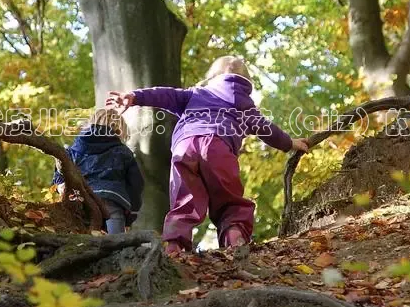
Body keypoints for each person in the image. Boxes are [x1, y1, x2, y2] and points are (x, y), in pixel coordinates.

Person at [106, 56, 308, 253]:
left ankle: (174, 249)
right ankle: (235, 243)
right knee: (230, 203)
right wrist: (290, 143)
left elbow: (165, 95)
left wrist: (134, 96)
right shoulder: (245, 104)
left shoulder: (195, 93)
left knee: (184, 203)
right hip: (218, 147)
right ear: (247, 82)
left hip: (184, 148)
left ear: (211, 77)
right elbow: (267, 129)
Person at [53, 108, 143, 234]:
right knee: (117, 243)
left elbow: (59, 178)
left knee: (82, 240)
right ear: (120, 130)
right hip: (112, 200)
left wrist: (62, 189)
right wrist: (131, 214)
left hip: (81, 200)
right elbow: (136, 185)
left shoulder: (73, 151)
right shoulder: (123, 152)